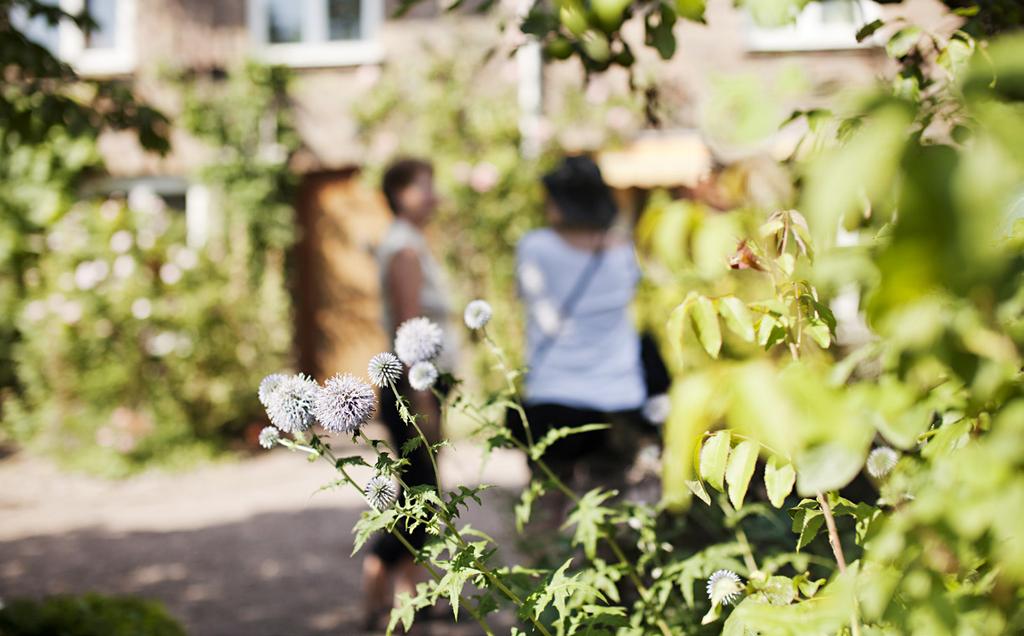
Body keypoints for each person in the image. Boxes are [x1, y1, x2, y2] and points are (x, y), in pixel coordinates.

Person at [512, 155, 647, 502]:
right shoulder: (624, 252)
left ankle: (544, 560)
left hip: (553, 392)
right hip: (618, 395)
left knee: (546, 504)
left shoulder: (536, 247)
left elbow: (524, 296)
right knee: (610, 508)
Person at [366, 158, 456, 629]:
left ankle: (414, 599)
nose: (435, 194)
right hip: (412, 384)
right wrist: (421, 397)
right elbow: (409, 327)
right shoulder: (403, 248)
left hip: (422, 383)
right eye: (426, 186)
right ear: (401, 194)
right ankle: (377, 580)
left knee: (423, 491)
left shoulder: (413, 242)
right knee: (420, 493)